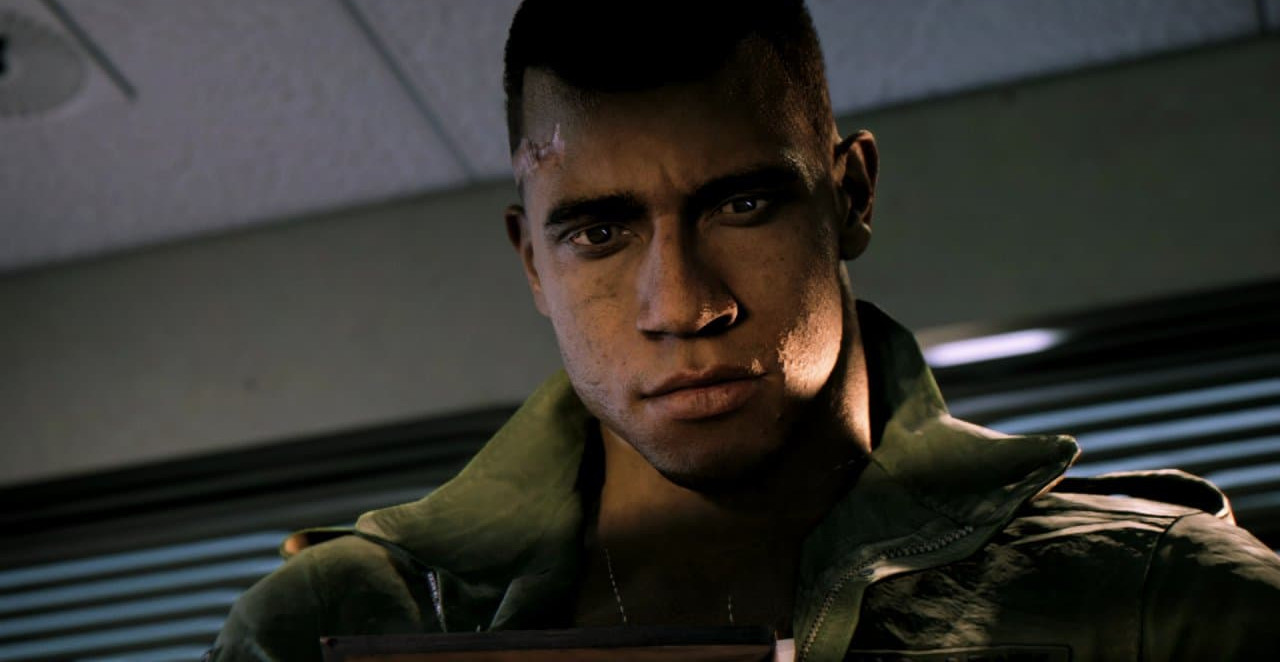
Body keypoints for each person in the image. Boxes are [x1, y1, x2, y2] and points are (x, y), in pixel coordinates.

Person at [208, 1, 1280, 659]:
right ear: (532, 260)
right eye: (600, 232)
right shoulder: (332, 625)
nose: (683, 305)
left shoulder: (1157, 598)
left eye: (742, 204)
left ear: (850, 195)